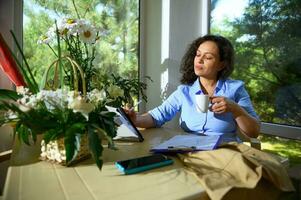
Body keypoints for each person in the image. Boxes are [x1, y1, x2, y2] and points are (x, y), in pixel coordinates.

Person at [126, 34, 260, 142]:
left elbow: (254, 132)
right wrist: (135, 120)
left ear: (221, 65)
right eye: (198, 54)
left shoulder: (235, 89)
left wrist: (235, 109)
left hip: (224, 153)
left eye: (208, 57)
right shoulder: (184, 91)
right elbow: (157, 116)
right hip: (190, 152)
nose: (199, 60)